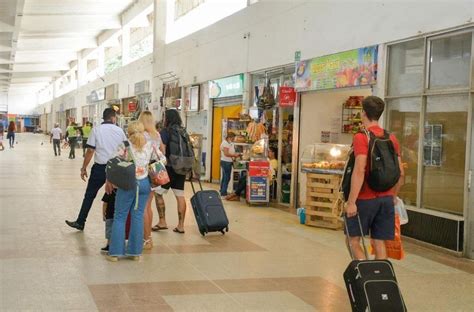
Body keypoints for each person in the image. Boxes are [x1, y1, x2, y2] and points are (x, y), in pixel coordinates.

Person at [345, 96, 404, 260]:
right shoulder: (391, 138)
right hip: (386, 199)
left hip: (364, 199)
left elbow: (359, 170)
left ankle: (365, 279)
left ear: (363, 112)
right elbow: (401, 172)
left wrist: (351, 202)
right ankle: (379, 281)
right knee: (379, 242)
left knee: (353, 240)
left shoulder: (361, 137)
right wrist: (393, 195)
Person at [106, 121, 160, 262]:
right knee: (137, 216)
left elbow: (112, 161)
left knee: (120, 217)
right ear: (143, 132)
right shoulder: (150, 145)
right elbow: (162, 159)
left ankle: (115, 253)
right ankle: (135, 253)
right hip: (144, 184)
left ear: (128, 132)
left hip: (127, 184)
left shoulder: (124, 146)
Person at [65, 108, 126, 231]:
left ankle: (80, 221)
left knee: (89, 195)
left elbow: (90, 150)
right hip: (117, 168)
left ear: (104, 118)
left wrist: (83, 168)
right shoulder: (120, 131)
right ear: (113, 118)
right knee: (115, 198)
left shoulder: (96, 130)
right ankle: (116, 228)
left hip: (100, 168)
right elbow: (125, 150)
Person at [138, 111, 166, 250]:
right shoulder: (157, 135)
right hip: (155, 172)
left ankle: (146, 238)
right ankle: (148, 238)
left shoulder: (142, 135)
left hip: (143, 172)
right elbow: (162, 151)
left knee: (143, 207)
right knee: (148, 206)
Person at [159, 109, 189, 234]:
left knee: (158, 193)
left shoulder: (165, 131)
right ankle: (181, 225)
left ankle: (162, 222)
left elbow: (162, 150)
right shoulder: (183, 131)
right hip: (181, 167)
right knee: (180, 196)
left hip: (168, 167)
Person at [152, 121, 168, 232]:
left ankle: (162, 221)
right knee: (159, 194)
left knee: (155, 195)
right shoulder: (162, 135)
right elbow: (163, 152)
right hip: (160, 166)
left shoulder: (155, 135)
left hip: (152, 166)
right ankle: (163, 221)